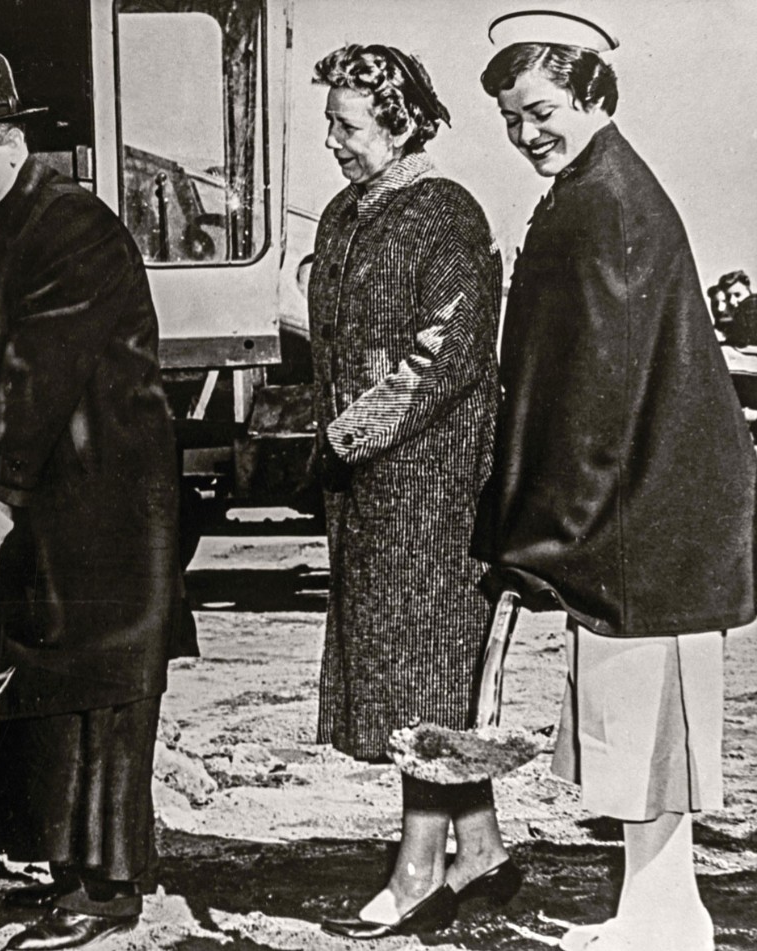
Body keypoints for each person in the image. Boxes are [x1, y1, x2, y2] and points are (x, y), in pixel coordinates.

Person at [0, 52, 195, 951]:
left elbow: (47, 366)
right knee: (58, 683)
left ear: (12, 142)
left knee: (104, 687)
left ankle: (109, 889)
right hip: (61, 496)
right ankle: (76, 873)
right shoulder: (6, 226)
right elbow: (5, 363)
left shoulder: (70, 224)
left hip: (109, 499)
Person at [476, 13, 755, 951]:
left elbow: (600, 386)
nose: (527, 134)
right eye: (513, 118)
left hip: (647, 513)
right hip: (639, 511)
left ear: (593, 93)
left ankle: (671, 916)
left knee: (652, 725)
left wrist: (547, 530)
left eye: (543, 110)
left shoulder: (607, 199)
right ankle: (653, 909)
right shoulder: (589, 188)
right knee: (632, 725)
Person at [306, 45, 510, 940]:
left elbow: (447, 352)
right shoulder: (346, 214)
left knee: (423, 682)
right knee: (409, 679)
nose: (333, 141)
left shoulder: (446, 215)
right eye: (331, 122)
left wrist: (352, 432)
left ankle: (419, 869)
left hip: (433, 489)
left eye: (347, 124)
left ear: (399, 121)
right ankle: (485, 850)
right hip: (370, 494)